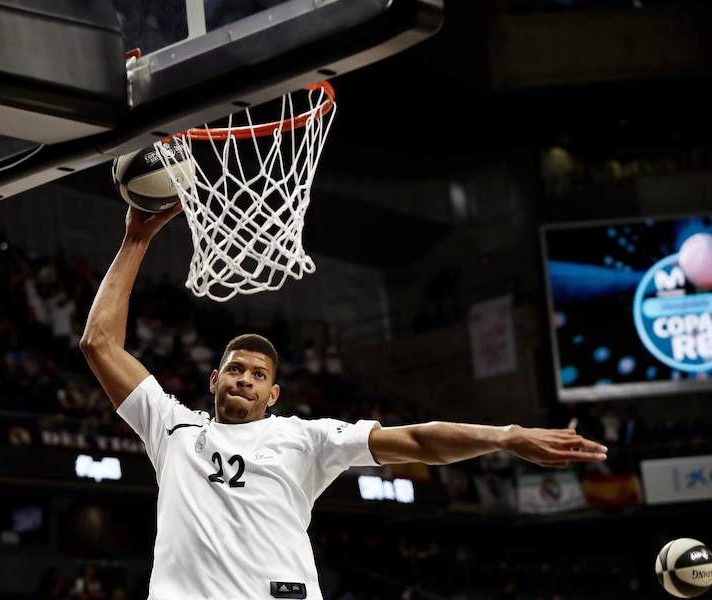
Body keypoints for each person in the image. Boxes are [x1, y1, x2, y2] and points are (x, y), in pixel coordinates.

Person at [79, 206, 608, 600]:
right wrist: (135, 239)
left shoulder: (305, 437)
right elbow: (99, 343)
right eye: (236, 369)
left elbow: (417, 440)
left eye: (259, 375)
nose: (245, 380)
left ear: (274, 394)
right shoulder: (171, 426)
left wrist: (507, 436)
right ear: (215, 378)